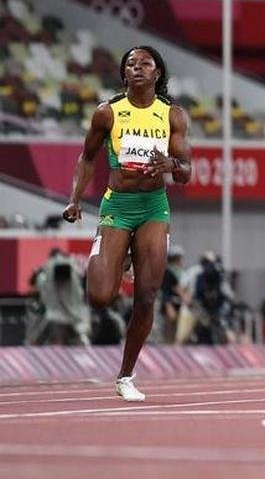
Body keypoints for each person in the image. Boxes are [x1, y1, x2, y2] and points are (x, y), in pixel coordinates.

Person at [61, 45, 192, 401]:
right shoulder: (108, 113)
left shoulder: (172, 116)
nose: (137, 68)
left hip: (153, 207)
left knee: (147, 296)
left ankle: (125, 375)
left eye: (144, 64)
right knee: (100, 297)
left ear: (157, 73)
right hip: (117, 206)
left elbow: (186, 173)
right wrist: (74, 200)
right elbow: (86, 157)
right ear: (123, 74)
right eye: (131, 64)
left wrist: (172, 166)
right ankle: (121, 255)